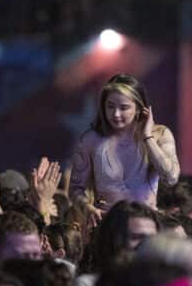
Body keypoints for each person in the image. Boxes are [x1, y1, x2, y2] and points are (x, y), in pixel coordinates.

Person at [69, 73, 180, 216]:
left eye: (124, 107)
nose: (115, 114)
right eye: (110, 106)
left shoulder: (160, 134)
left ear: (139, 108)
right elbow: (75, 189)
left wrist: (147, 137)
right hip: (106, 223)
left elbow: (171, 178)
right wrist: (88, 209)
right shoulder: (91, 139)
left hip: (146, 223)